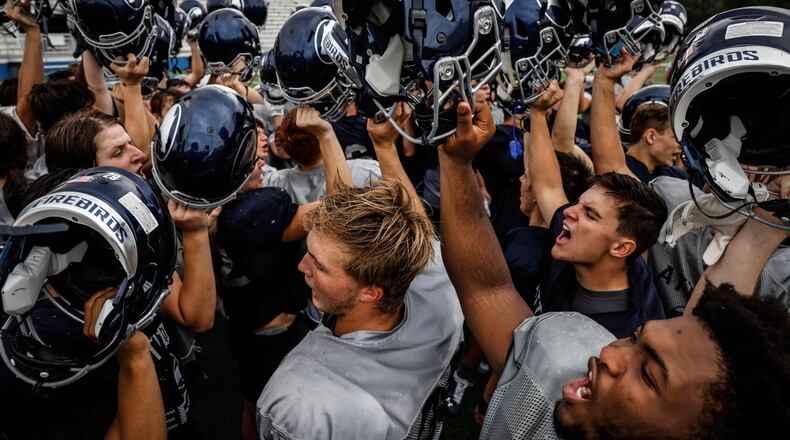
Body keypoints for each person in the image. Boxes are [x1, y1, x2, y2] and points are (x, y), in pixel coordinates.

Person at [438, 97, 790, 440]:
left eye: (649, 376)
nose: (607, 355)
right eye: (634, 342)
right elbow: (487, 289)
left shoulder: (621, 313)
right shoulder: (567, 360)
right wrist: (456, 163)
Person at [256, 105, 464, 439]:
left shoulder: (303, 400)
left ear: (371, 291)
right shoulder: (440, 293)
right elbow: (417, 232)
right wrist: (383, 146)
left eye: (318, 265)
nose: (301, 266)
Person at [526, 80, 667, 338]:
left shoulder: (628, 338)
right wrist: (537, 114)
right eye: (579, 204)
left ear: (621, 248)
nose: (569, 211)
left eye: (590, 214)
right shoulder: (582, 239)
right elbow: (547, 186)